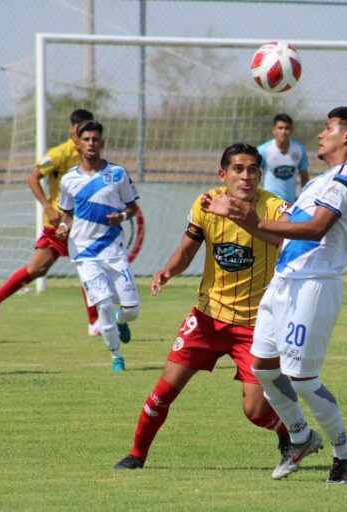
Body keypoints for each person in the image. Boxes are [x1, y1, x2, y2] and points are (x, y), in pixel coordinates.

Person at [204, 107, 347, 484]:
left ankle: (344, 451)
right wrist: (239, 216)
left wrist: (250, 217)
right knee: (263, 367)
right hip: (283, 281)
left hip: (313, 285)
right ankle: (300, 437)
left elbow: (316, 229)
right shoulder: (319, 182)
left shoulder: (346, 177)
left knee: (302, 379)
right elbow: (283, 236)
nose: (320, 134)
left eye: (329, 128)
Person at [113, 143, 291, 470]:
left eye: (253, 169)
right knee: (162, 392)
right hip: (207, 319)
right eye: (238, 169)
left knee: (255, 410)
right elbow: (185, 251)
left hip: (255, 326)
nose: (246, 176)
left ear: (260, 175)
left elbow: (296, 240)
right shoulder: (205, 204)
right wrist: (167, 271)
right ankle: (136, 455)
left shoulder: (275, 209)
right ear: (223, 174)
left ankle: (287, 433)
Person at [0, 109, 100, 335]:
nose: (87, 138)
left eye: (91, 134)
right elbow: (32, 176)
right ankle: (95, 322)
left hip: (80, 223)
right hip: (59, 224)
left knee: (72, 268)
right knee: (41, 268)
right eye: (81, 132)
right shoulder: (60, 153)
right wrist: (47, 207)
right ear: (72, 130)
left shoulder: (90, 155)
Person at [55, 120, 140, 372]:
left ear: (102, 143)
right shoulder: (69, 180)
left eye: (96, 139)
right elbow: (67, 214)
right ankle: (116, 357)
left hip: (113, 249)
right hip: (84, 252)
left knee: (132, 310)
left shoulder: (117, 174)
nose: (91, 143)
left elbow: (132, 207)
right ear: (78, 144)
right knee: (102, 303)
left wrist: (122, 217)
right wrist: (63, 227)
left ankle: (120, 319)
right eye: (87, 139)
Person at [258, 113, 310, 203]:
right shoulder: (263, 150)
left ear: (292, 130)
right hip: (269, 202)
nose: (284, 131)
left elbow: (304, 177)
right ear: (274, 130)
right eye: (280, 128)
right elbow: (254, 173)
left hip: (290, 203)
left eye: (287, 128)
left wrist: (305, 198)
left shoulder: (299, 149)